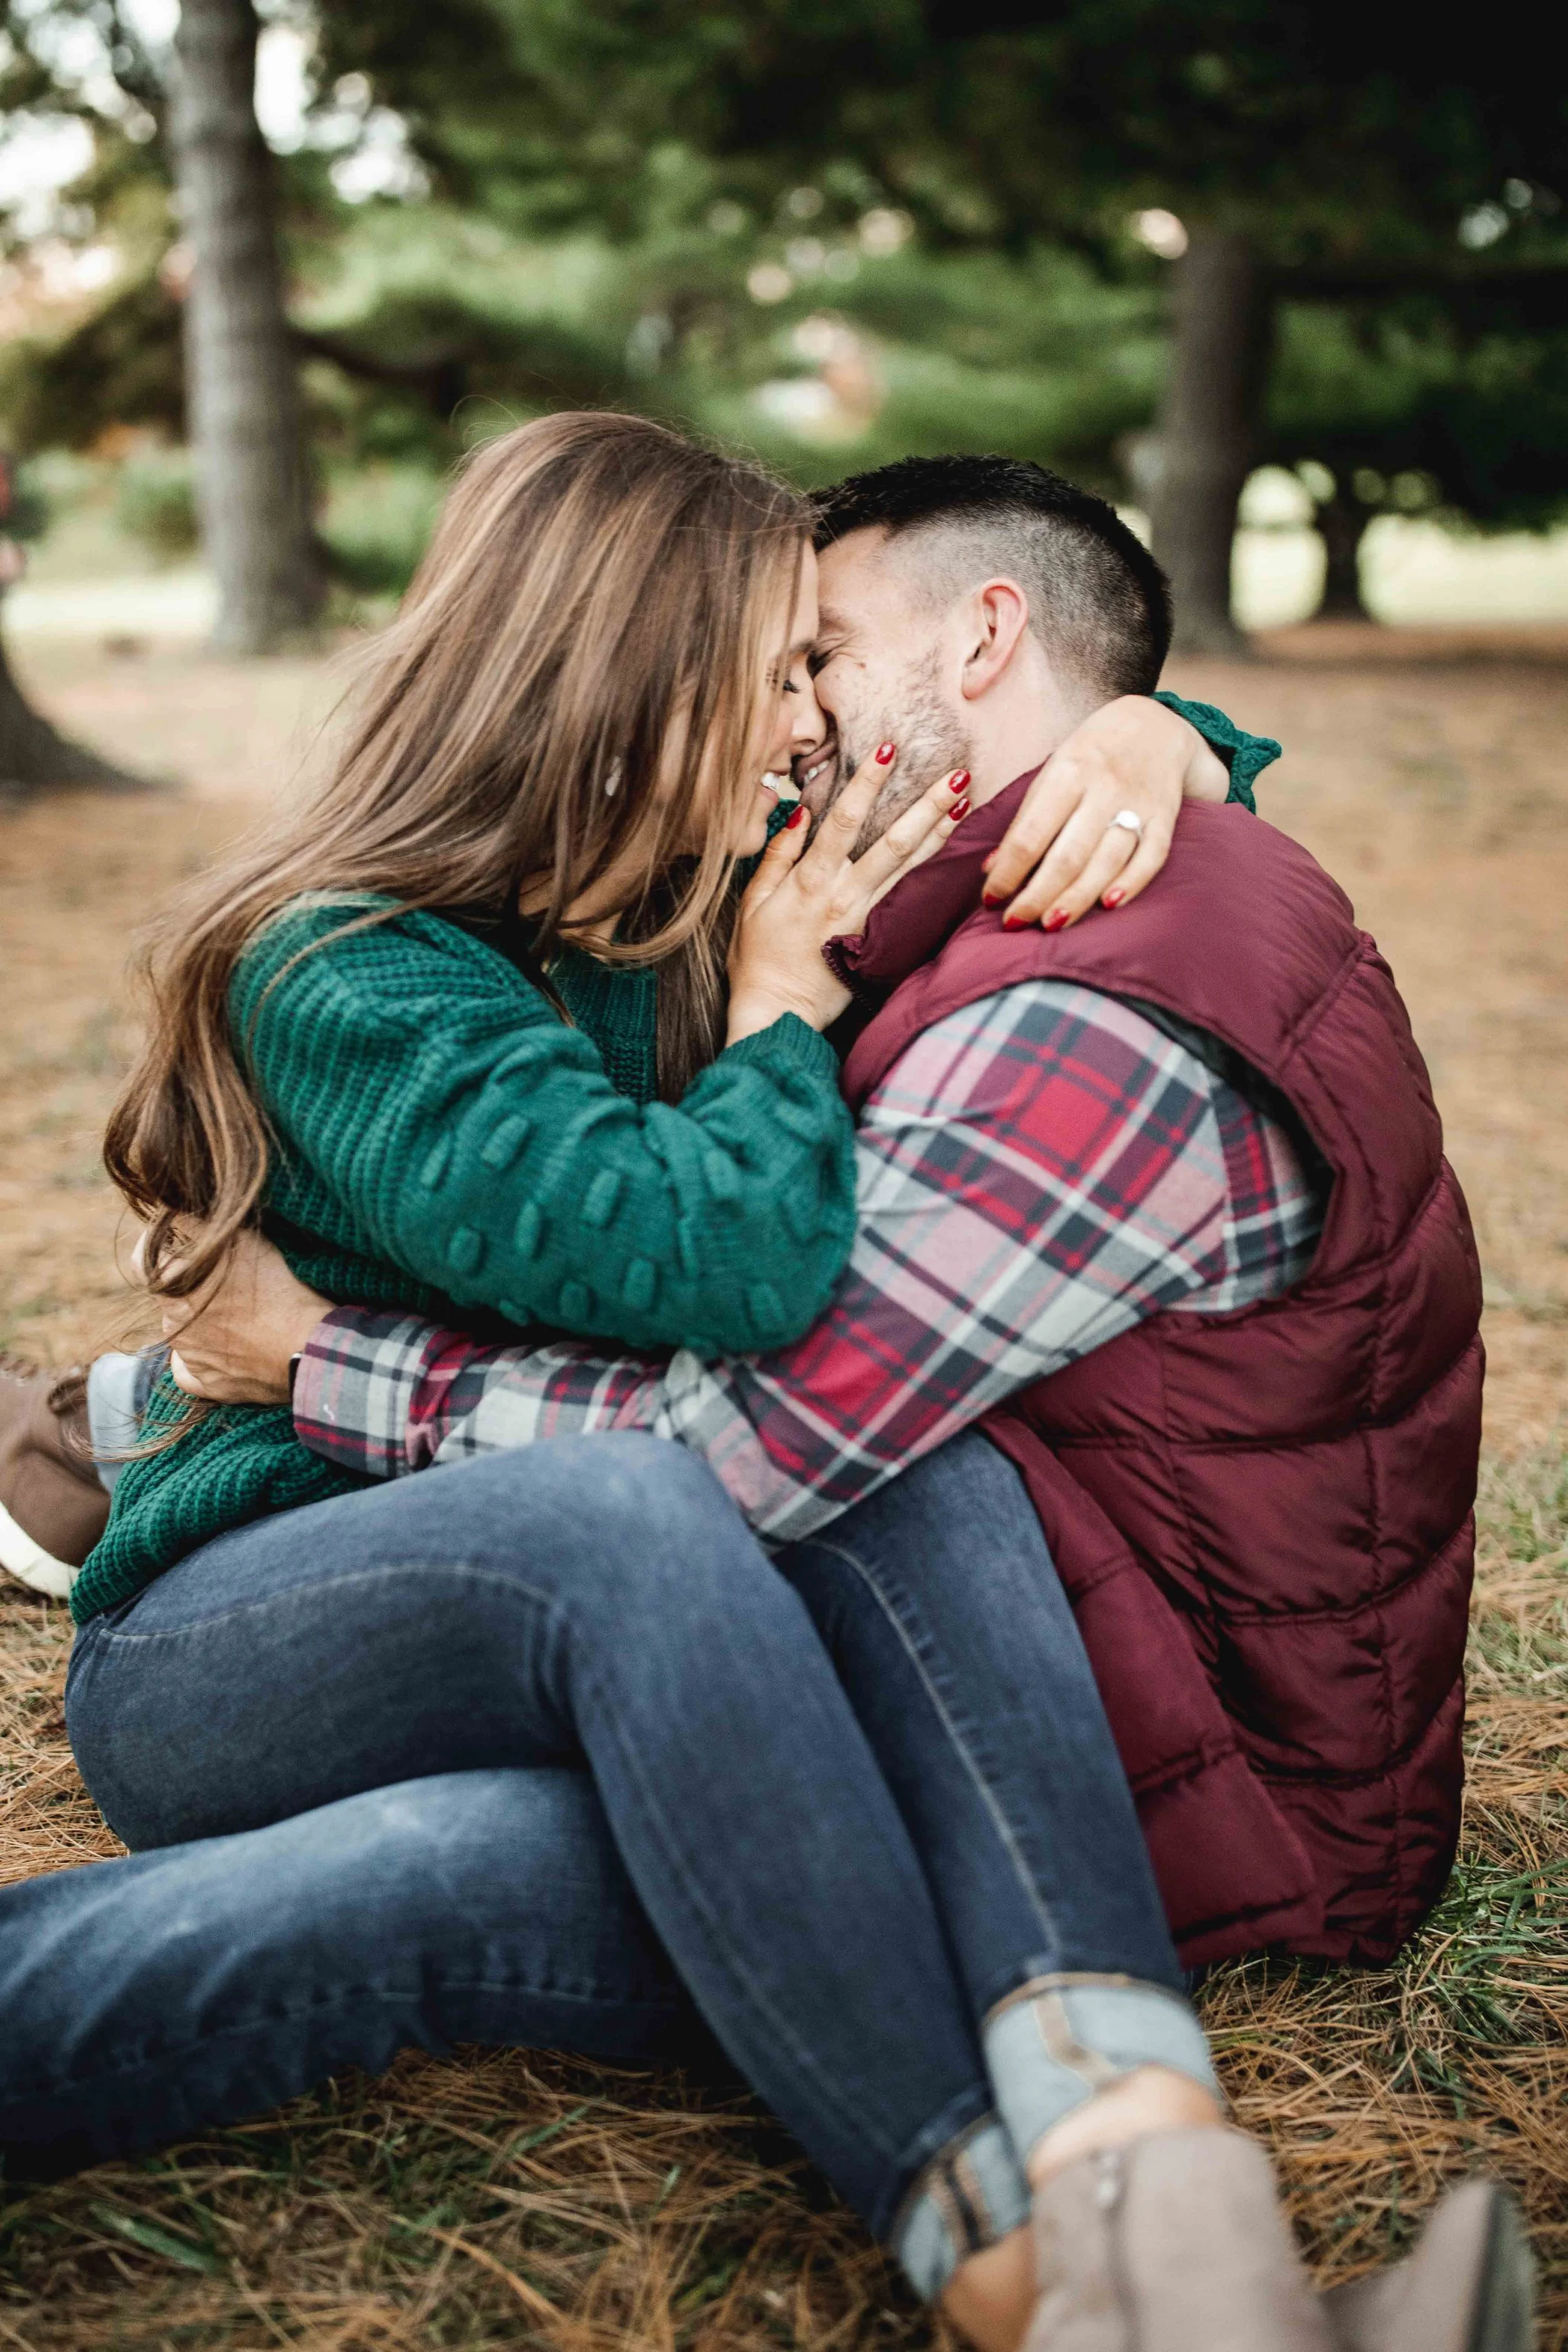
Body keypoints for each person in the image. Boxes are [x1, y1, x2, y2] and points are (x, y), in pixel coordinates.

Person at [0, 427, 1518, 2350]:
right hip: (255, 1638)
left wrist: (1154, 733)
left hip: (560, 1609)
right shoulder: (365, 975)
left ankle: (1180, 2241)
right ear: (630, 680)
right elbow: (702, 1270)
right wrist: (779, 1010)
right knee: (659, 1504)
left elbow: (1001, 754)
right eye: (777, 664)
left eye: (821, 659)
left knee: (597, 1764)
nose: (809, 719)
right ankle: (1008, 2261)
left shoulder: (693, 908)